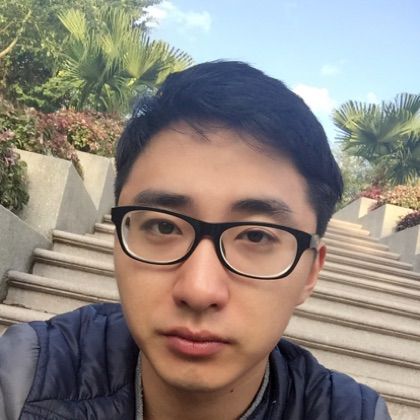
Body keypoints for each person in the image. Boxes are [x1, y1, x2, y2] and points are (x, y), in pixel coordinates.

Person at [0, 61, 391, 420]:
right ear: (118, 237)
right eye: (163, 227)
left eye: (256, 235)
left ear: (311, 272)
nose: (199, 290)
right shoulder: (25, 375)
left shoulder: (351, 414)